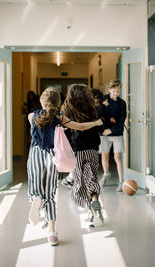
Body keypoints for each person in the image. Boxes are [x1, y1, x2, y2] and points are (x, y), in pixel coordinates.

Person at [27, 87, 103, 246]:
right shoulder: (59, 117)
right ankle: (52, 234)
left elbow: (42, 122)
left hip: (35, 155)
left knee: (36, 187)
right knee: (50, 194)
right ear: (58, 103)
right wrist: (96, 122)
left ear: (42, 101)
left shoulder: (31, 116)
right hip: (52, 157)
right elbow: (80, 127)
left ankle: (36, 199)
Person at [61, 84, 104, 226]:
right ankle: (95, 201)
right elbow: (100, 127)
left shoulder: (67, 109)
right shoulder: (93, 108)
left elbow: (64, 131)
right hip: (92, 148)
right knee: (91, 177)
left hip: (76, 149)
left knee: (81, 182)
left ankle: (90, 212)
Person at [98, 80, 127, 192]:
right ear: (109, 90)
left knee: (117, 157)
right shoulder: (104, 100)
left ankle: (121, 181)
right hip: (104, 133)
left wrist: (111, 129)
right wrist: (102, 106)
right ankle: (106, 174)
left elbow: (121, 121)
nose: (116, 93)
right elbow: (98, 115)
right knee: (104, 156)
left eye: (118, 91)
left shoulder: (122, 103)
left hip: (116, 133)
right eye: (114, 91)